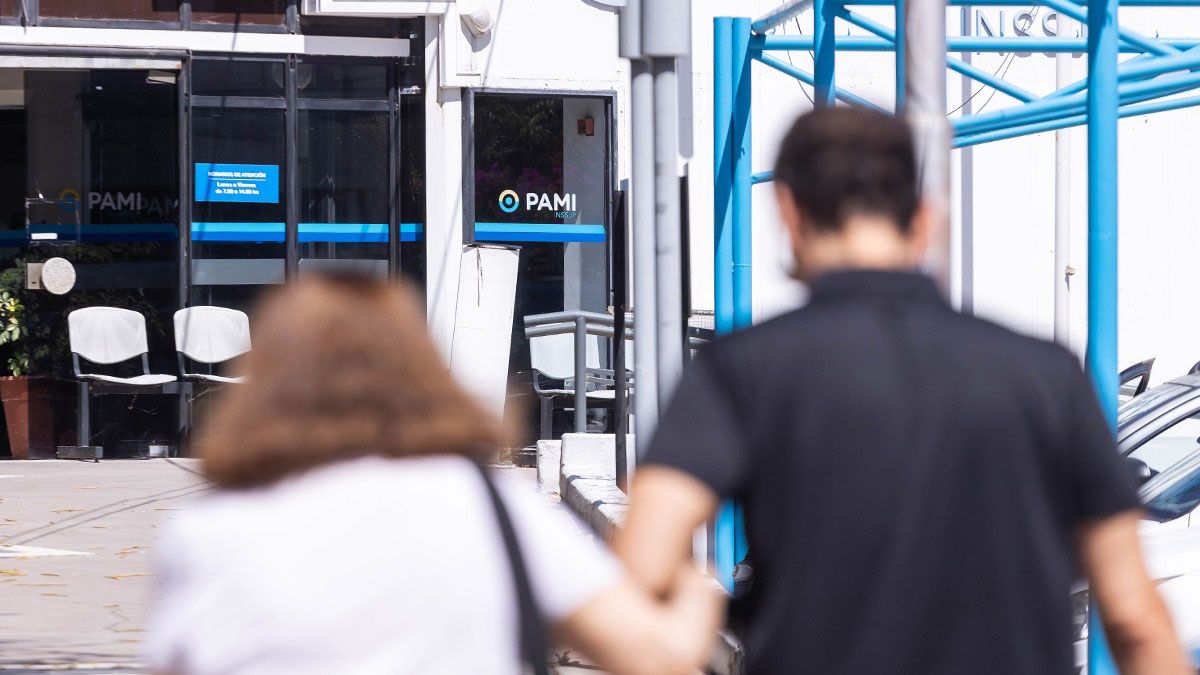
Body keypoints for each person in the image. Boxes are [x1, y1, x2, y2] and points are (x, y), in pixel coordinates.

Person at [614, 107, 1191, 674]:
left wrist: (713, 606)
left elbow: (642, 568)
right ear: (924, 218)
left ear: (787, 210)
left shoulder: (741, 369)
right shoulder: (1047, 374)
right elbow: (1135, 617)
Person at [147, 273, 721, 675]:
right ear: (418, 367)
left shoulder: (208, 531)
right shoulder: (488, 506)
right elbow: (658, 656)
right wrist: (689, 579)